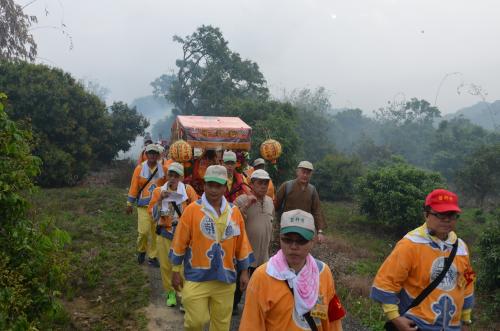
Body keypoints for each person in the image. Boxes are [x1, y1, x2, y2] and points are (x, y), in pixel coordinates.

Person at [370, 189, 475, 331]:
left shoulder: (461, 248)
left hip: (452, 326)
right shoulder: (410, 244)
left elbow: (467, 284)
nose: (446, 219)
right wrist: (395, 318)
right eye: (440, 214)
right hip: (416, 324)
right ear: (426, 214)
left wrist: (465, 319)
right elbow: (386, 282)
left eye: (451, 215)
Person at [169, 165, 255, 331]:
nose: (214, 190)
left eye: (218, 186)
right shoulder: (192, 210)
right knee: (195, 321)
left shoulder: (234, 212)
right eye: (210, 185)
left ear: (225, 187)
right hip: (197, 276)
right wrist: (175, 270)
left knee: (222, 324)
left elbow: (241, 243)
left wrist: (245, 271)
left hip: (226, 278)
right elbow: (180, 241)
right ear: (205, 185)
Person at [239, 209, 345, 331]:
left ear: (313, 241)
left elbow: (333, 320)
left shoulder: (323, 273)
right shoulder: (263, 276)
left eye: (301, 240)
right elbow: (251, 324)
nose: (294, 247)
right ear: (279, 238)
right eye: (287, 240)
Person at [148, 162, 198, 307]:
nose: (173, 178)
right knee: (165, 266)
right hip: (165, 233)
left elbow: (197, 209)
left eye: (176, 175)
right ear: (167, 175)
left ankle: (182, 295)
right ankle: (170, 292)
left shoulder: (188, 191)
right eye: (171, 174)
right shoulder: (158, 191)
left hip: (183, 236)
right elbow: (153, 217)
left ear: (182, 177)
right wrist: (160, 200)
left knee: (182, 267)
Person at [233, 169, 275, 314]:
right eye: (260, 183)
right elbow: (232, 222)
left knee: (259, 287)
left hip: (263, 255)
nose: (263, 186)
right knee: (238, 286)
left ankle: (255, 311)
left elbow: (271, 222)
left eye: (266, 183)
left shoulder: (270, 201)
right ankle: (232, 308)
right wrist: (246, 206)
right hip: (245, 254)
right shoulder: (241, 200)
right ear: (252, 184)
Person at [126, 144, 168, 266]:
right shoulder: (139, 168)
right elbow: (134, 186)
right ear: (146, 154)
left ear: (158, 155)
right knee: (143, 232)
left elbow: (168, 185)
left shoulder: (163, 169)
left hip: (157, 206)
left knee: (156, 233)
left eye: (155, 153)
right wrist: (129, 203)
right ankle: (141, 250)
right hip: (143, 206)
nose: (152, 155)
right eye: (150, 153)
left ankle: (153, 256)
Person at [274, 161, 327, 243]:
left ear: (311, 175)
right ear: (297, 172)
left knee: (302, 250)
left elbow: (317, 211)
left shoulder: (312, 190)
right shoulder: (287, 186)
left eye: (308, 173)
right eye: (303, 172)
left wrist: (320, 231)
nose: (305, 175)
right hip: (287, 226)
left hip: (304, 228)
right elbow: (275, 205)